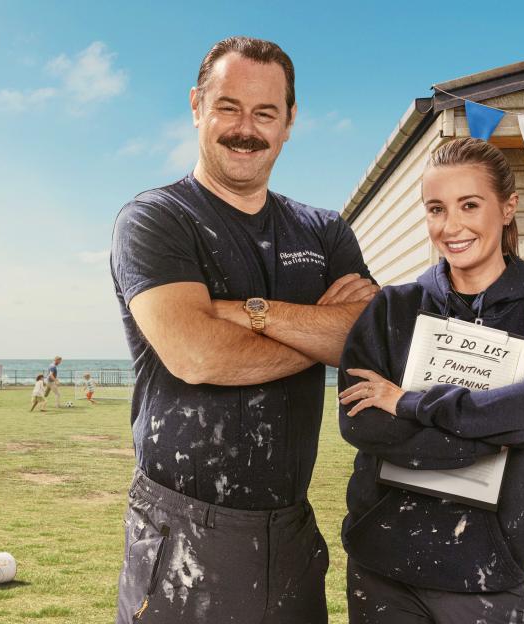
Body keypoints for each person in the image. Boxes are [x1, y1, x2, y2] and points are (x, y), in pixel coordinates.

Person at [110, 36, 377, 623]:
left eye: (265, 113)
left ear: (289, 122)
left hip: (291, 531)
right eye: (228, 107)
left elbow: (371, 341)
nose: (245, 129)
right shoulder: (156, 219)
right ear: (196, 105)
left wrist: (250, 312)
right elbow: (197, 355)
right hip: (182, 526)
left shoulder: (325, 231)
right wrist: (321, 333)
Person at [337, 137, 524, 624]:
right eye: (436, 209)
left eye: (469, 205)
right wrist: (489, 437)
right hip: (381, 563)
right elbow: (359, 422)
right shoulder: (394, 307)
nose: (451, 226)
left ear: (508, 207)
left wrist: (410, 403)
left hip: (486, 572)